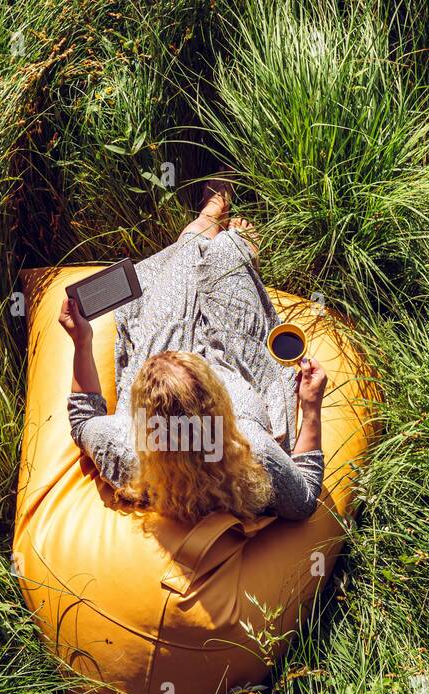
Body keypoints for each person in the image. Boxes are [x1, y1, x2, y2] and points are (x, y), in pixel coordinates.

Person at [58, 179, 329, 523]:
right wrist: (310, 407)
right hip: (236, 362)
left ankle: (208, 217)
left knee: (186, 257)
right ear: (217, 400)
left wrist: (82, 341)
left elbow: (83, 418)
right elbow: (304, 501)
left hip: (160, 345)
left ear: (144, 417)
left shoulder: (124, 446)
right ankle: (233, 241)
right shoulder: (253, 451)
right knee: (227, 253)